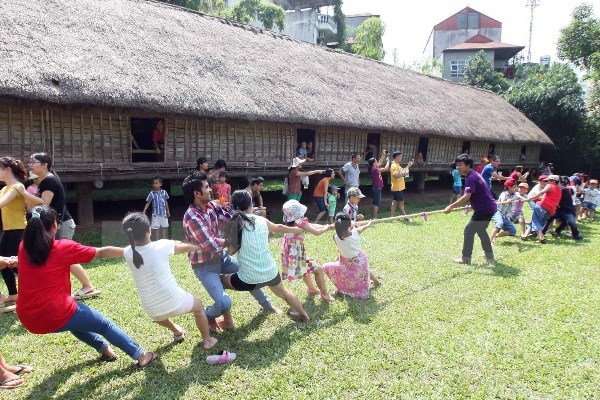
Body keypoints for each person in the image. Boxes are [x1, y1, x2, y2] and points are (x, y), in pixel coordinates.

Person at [16, 205, 157, 369]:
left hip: (28, 319)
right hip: (56, 314)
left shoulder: (23, 247)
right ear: (54, 226)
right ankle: (141, 356)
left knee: (75, 321)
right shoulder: (62, 247)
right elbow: (102, 252)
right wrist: (132, 251)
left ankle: (105, 350)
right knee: (104, 325)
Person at [182, 171, 279, 332]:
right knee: (224, 303)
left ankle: (267, 305)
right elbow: (212, 244)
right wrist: (237, 239)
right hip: (205, 265)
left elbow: (232, 218)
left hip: (222, 258)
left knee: (249, 273)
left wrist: (255, 223)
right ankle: (207, 314)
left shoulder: (212, 206)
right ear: (196, 193)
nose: (210, 189)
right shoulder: (192, 217)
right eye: (207, 187)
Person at [121, 212, 218, 348]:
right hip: (176, 302)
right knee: (199, 306)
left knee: (159, 316)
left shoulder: (127, 252)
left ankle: (177, 331)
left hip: (152, 311)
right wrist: (202, 246)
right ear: (149, 230)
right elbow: (186, 247)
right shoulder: (162, 245)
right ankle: (208, 341)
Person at [16, 153, 100, 300]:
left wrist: (24, 193)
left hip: (61, 224)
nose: (30, 164)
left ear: (44, 165)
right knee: (60, 256)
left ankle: (87, 285)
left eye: (33, 162)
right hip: (55, 224)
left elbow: (44, 202)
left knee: (66, 257)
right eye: (29, 162)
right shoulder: (44, 181)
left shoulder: (49, 181)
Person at [221, 190, 310, 322]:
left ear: (233, 206)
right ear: (251, 204)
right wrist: (295, 230)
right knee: (284, 293)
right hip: (271, 273)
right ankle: (304, 315)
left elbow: (231, 252)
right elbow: (278, 228)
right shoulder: (261, 220)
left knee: (219, 281)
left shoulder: (235, 224)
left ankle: (226, 320)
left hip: (247, 280)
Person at [443, 154, 497, 265]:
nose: (458, 167)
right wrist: (473, 205)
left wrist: (451, 206)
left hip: (484, 209)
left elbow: (467, 196)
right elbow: (480, 194)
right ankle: (489, 255)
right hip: (488, 207)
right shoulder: (473, 175)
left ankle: (466, 258)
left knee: (469, 231)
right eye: (457, 165)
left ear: (468, 165)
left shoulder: (471, 177)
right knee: (481, 231)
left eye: (461, 165)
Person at [281, 200, 335, 302]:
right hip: (296, 254)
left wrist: (326, 227)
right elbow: (317, 232)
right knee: (318, 270)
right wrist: (327, 227)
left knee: (306, 271)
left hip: (292, 253)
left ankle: (312, 289)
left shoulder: (292, 222)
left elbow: (311, 226)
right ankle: (325, 295)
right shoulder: (301, 222)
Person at [323, 213, 380, 299]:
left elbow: (341, 237)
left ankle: (374, 282)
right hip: (360, 261)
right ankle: (376, 282)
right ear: (349, 225)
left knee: (327, 267)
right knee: (366, 270)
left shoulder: (335, 237)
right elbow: (365, 226)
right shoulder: (356, 232)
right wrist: (369, 223)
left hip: (346, 262)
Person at [0, 157, 27, 305]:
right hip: (8, 231)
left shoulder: (17, 187)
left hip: (19, 230)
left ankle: (28, 294)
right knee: (2, 262)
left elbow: (1, 203)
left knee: (19, 264)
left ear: (7, 170)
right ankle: (13, 294)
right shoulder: (4, 188)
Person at [522, 174, 562, 243]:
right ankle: (526, 235)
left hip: (541, 206)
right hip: (550, 211)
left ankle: (541, 238)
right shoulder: (559, 190)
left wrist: (530, 198)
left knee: (535, 221)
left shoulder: (550, 185)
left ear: (553, 181)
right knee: (536, 222)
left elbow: (541, 192)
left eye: (548, 181)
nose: (547, 182)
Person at [543, 176, 583, 241]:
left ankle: (576, 235)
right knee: (549, 219)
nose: (548, 183)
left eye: (550, 181)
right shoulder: (553, 189)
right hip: (557, 209)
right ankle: (542, 232)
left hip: (567, 210)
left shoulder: (564, 190)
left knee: (571, 222)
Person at [489, 179, 518, 245]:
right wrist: (507, 201)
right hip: (498, 212)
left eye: (516, 186)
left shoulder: (515, 195)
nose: (516, 188)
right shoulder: (504, 194)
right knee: (499, 223)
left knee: (513, 231)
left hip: (505, 215)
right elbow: (503, 201)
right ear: (509, 187)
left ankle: (495, 236)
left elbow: (518, 198)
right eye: (514, 187)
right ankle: (489, 241)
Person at [389, 151, 413, 217]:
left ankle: (391, 216)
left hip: (397, 187)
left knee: (395, 202)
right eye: (400, 156)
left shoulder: (397, 165)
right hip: (397, 188)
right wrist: (404, 174)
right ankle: (405, 216)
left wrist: (408, 166)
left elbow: (403, 171)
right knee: (401, 203)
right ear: (397, 157)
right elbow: (396, 175)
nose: (401, 158)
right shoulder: (394, 165)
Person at [368, 150, 390, 219]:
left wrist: (383, 154)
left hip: (377, 187)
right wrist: (388, 161)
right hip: (377, 187)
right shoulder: (374, 169)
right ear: (373, 163)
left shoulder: (375, 167)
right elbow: (386, 168)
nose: (377, 161)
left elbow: (381, 160)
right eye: (376, 160)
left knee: (375, 202)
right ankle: (375, 217)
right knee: (377, 203)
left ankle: (373, 215)